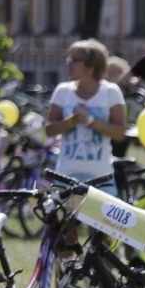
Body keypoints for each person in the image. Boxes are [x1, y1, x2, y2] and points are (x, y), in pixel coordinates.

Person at [44, 38, 126, 194]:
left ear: (91, 66)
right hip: (65, 175)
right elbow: (48, 130)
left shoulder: (110, 91)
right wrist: (72, 121)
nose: (68, 64)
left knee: (100, 219)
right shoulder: (63, 90)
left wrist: (90, 121)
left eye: (74, 60)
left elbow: (120, 133)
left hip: (101, 177)